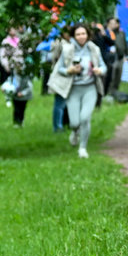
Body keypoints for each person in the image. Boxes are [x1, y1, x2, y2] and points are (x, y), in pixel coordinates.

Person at [48, 24, 105, 158]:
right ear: (74, 36)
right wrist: (70, 70)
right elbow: (59, 68)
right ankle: (75, 132)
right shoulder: (67, 50)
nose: (81, 37)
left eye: (83, 34)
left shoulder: (94, 49)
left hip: (90, 88)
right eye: (78, 34)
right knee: (74, 122)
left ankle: (83, 148)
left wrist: (100, 70)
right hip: (73, 89)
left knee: (85, 118)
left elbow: (103, 66)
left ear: (88, 35)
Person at [0, 27, 32, 127]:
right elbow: (2, 55)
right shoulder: (6, 41)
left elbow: (28, 51)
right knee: (13, 84)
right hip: (12, 67)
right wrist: (6, 65)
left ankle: (20, 120)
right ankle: (10, 100)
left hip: (23, 67)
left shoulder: (22, 40)